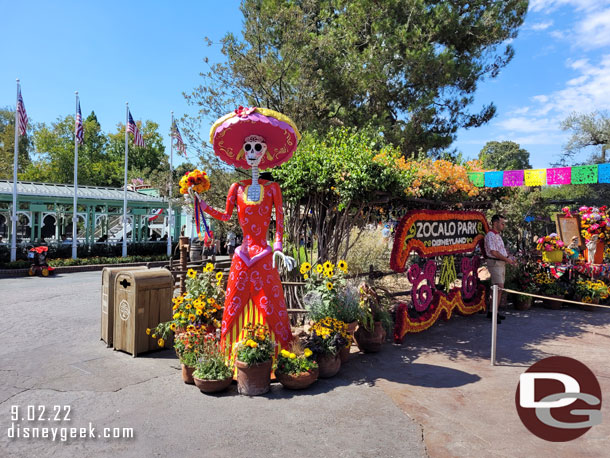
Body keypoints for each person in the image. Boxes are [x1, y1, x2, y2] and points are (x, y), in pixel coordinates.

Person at [192, 107, 299, 362]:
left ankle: (278, 355)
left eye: (257, 148)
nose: (252, 153)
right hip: (242, 254)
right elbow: (227, 216)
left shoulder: (273, 188)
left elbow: (280, 220)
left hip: (264, 254)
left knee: (271, 303)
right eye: (248, 148)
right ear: (242, 152)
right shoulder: (236, 188)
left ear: (265, 152)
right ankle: (229, 356)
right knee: (234, 302)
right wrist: (203, 206)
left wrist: (279, 247)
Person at [484, 214, 516, 323]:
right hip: (495, 263)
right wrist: (507, 260)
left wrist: (508, 257)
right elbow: (494, 252)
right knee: (498, 287)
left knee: (497, 288)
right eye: (502, 223)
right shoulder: (491, 235)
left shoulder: (497, 235)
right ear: (495, 223)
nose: (503, 225)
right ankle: (493, 313)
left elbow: (500, 250)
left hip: (500, 263)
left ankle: (493, 312)